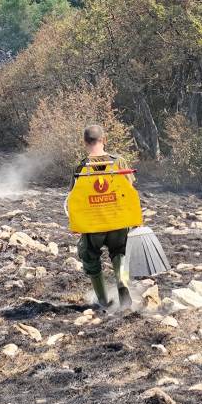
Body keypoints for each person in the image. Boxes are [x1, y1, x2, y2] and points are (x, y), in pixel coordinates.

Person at [70, 124, 135, 310]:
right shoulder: (119, 161)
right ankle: (122, 282)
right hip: (118, 220)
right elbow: (129, 190)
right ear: (104, 140)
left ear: (84, 143)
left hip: (93, 224)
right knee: (119, 251)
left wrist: (77, 224)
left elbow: (76, 198)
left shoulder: (81, 166)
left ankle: (103, 301)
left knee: (90, 257)